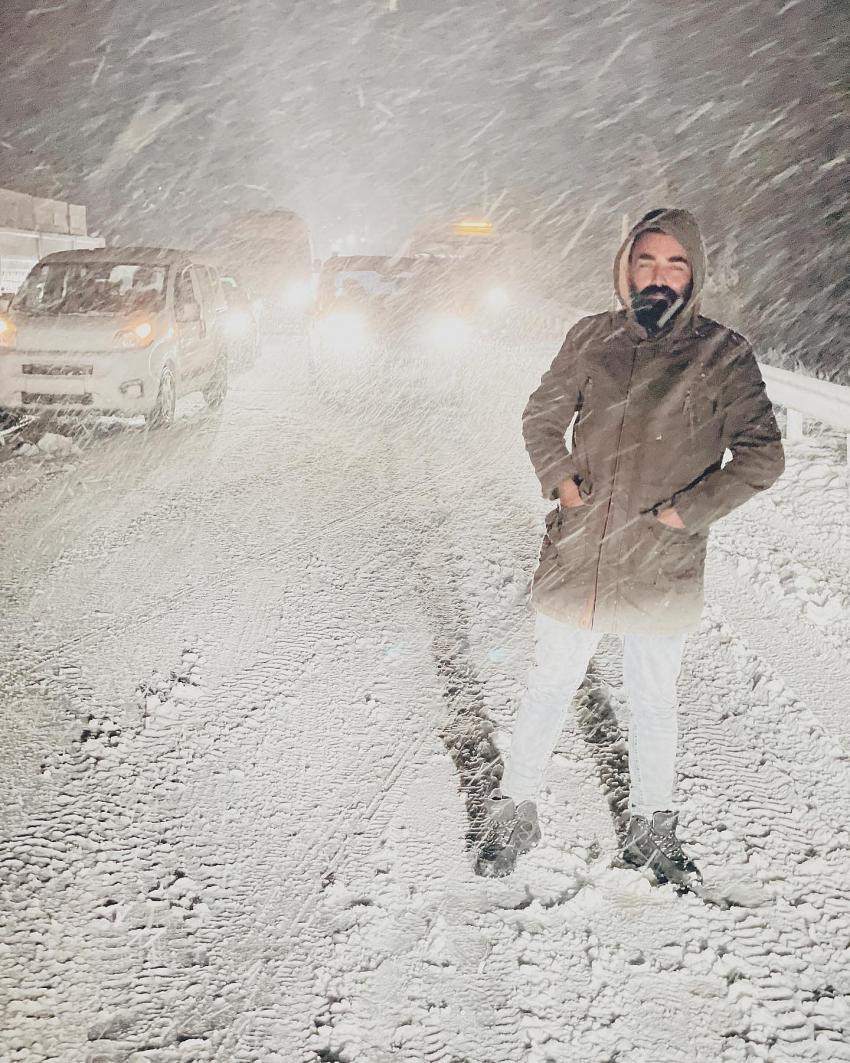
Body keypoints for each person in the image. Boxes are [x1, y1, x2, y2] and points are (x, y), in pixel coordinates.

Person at [475, 207, 785, 883]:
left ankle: (652, 826)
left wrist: (689, 512)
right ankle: (514, 809)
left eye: (675, 263)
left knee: (653, 697)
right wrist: (563, 485)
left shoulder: (723, 352)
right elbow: (542, 417)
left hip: (660, 557)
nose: (659, 275)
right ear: (626, 265)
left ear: (693, 273)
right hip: (581, 549)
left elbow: (763, 454)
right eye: (646, 260)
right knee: (549, 683)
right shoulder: (592, 338)